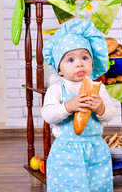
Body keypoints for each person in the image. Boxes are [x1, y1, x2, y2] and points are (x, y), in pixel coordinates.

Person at [41, 20, 116, 192]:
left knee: (98, 186)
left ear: (92, 62)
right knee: (66, 187)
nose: (79, 63)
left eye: (85, 57)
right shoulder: (56, 90)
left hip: (95, 150)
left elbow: (110, 114)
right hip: (65, 152)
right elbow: (48, 115)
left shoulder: (98, 88)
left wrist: (100, 108)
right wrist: (67, 106)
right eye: (70, 59)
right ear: (59, 68)